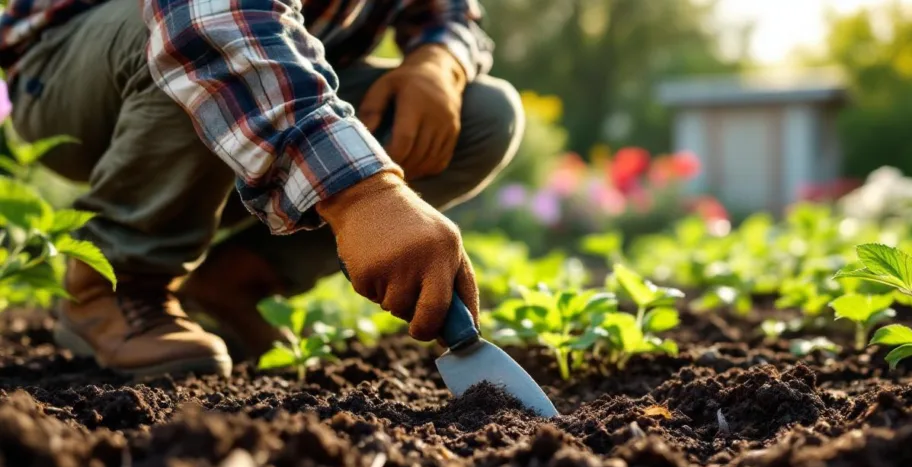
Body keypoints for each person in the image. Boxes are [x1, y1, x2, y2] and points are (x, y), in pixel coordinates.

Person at [0, 0, 523, 379]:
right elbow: (209, 21)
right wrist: (364, 196)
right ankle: (116, 284)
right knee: (191, 44)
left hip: (273, 66)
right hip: (74, 60)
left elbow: (448, 14)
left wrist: (438, 62)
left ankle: (232, 281)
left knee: (482, 118)